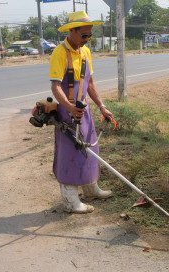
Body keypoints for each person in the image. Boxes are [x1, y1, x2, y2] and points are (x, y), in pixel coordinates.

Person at [49, 11, 114, 214]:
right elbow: (56, 87)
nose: (87, 40)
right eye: (83, 36)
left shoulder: (85, 52)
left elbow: (90, 83)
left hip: (83, 110)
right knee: (70, 154)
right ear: (71, 31)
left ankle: (91, 190)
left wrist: (102, 107)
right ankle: (70, 201)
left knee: (90, 151)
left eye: (89, 36)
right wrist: (69, 108)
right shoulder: (59, 53)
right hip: (67, 112)